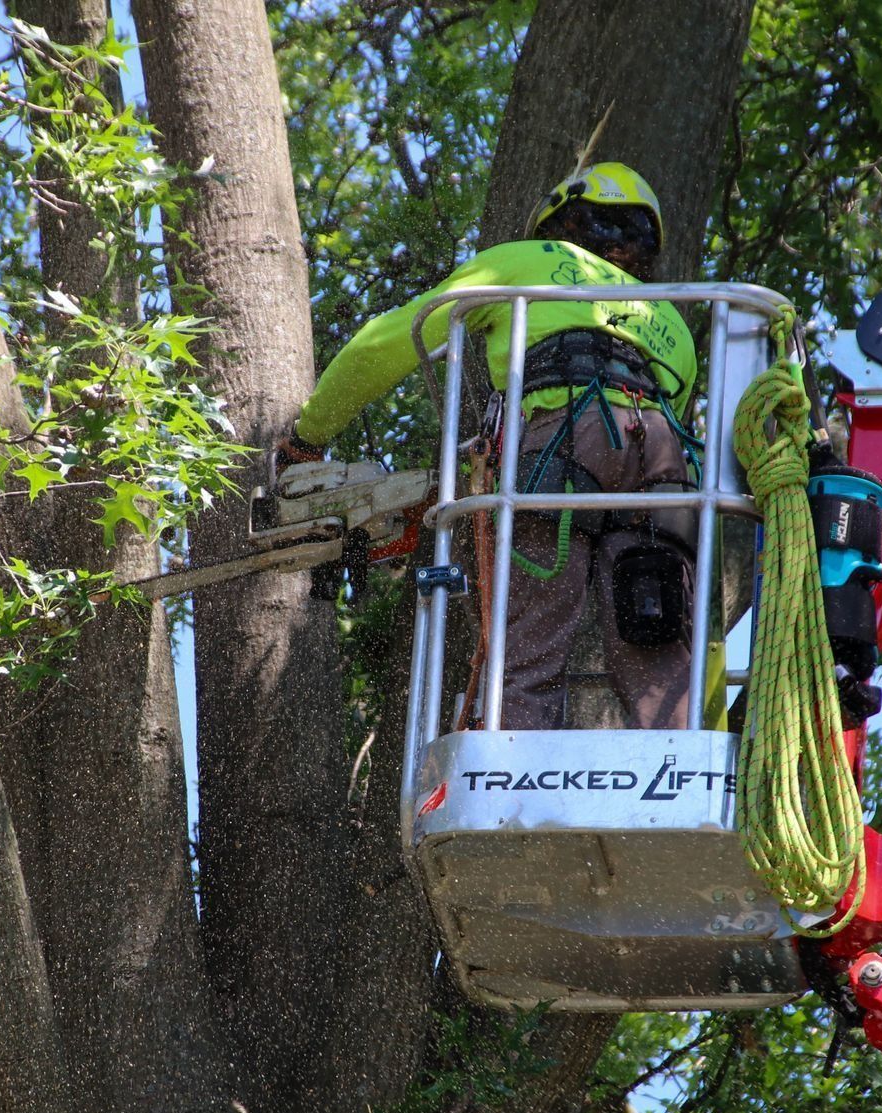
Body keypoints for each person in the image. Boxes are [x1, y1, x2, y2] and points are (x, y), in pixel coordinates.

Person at [282, 162, 700, 731]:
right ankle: (677, 781)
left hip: (564, 440)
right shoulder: (670, 319)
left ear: (564, 222)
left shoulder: (526, 266)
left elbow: (386, 345)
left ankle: (511, 799)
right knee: (653, 622)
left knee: (530, 641)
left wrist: (309, 436)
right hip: (661, 461)